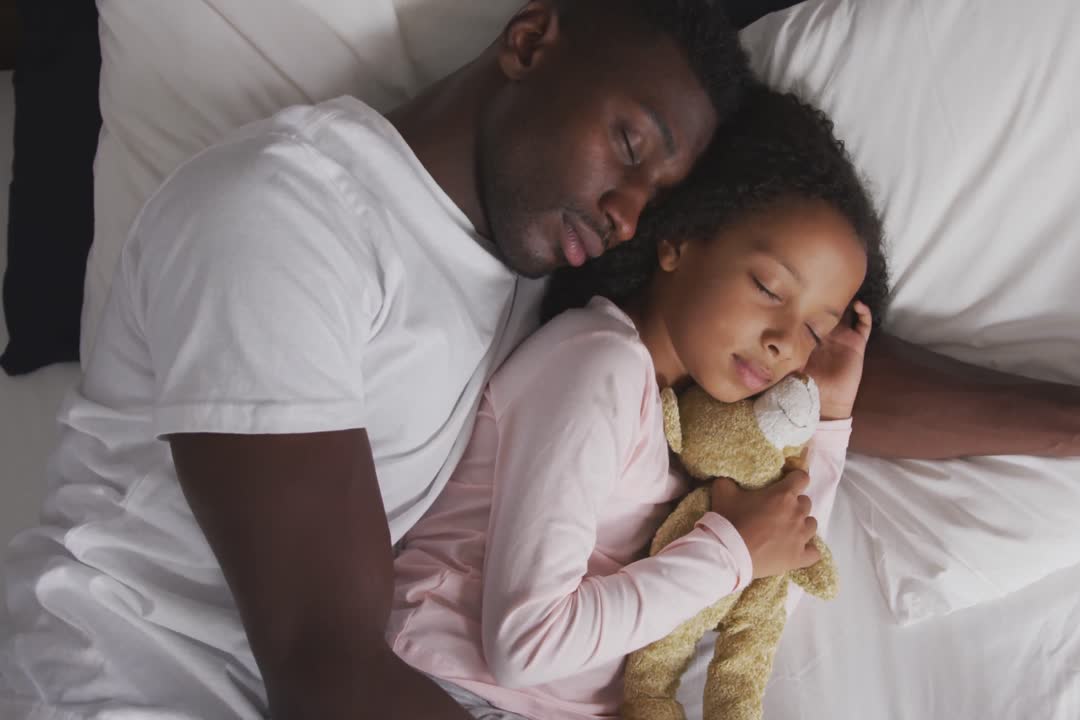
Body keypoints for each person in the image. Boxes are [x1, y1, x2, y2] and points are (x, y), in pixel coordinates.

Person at [0, 2, 754, 719]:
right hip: (117, 683)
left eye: (654, 201)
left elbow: (757, 304)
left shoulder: (538, 262)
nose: (625, 214)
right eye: (629, 145)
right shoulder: (283, 218)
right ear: (528, 43)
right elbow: (328, 672)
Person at [384, 86, 888, 720]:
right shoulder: (596, 366)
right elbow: (524, 644)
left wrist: (831, 421)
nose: (785, 341)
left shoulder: (693, 427)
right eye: (767, 286)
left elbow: (775, 576)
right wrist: (730, 551)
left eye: (815, 330)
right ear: (677, 242)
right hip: (441, 689)